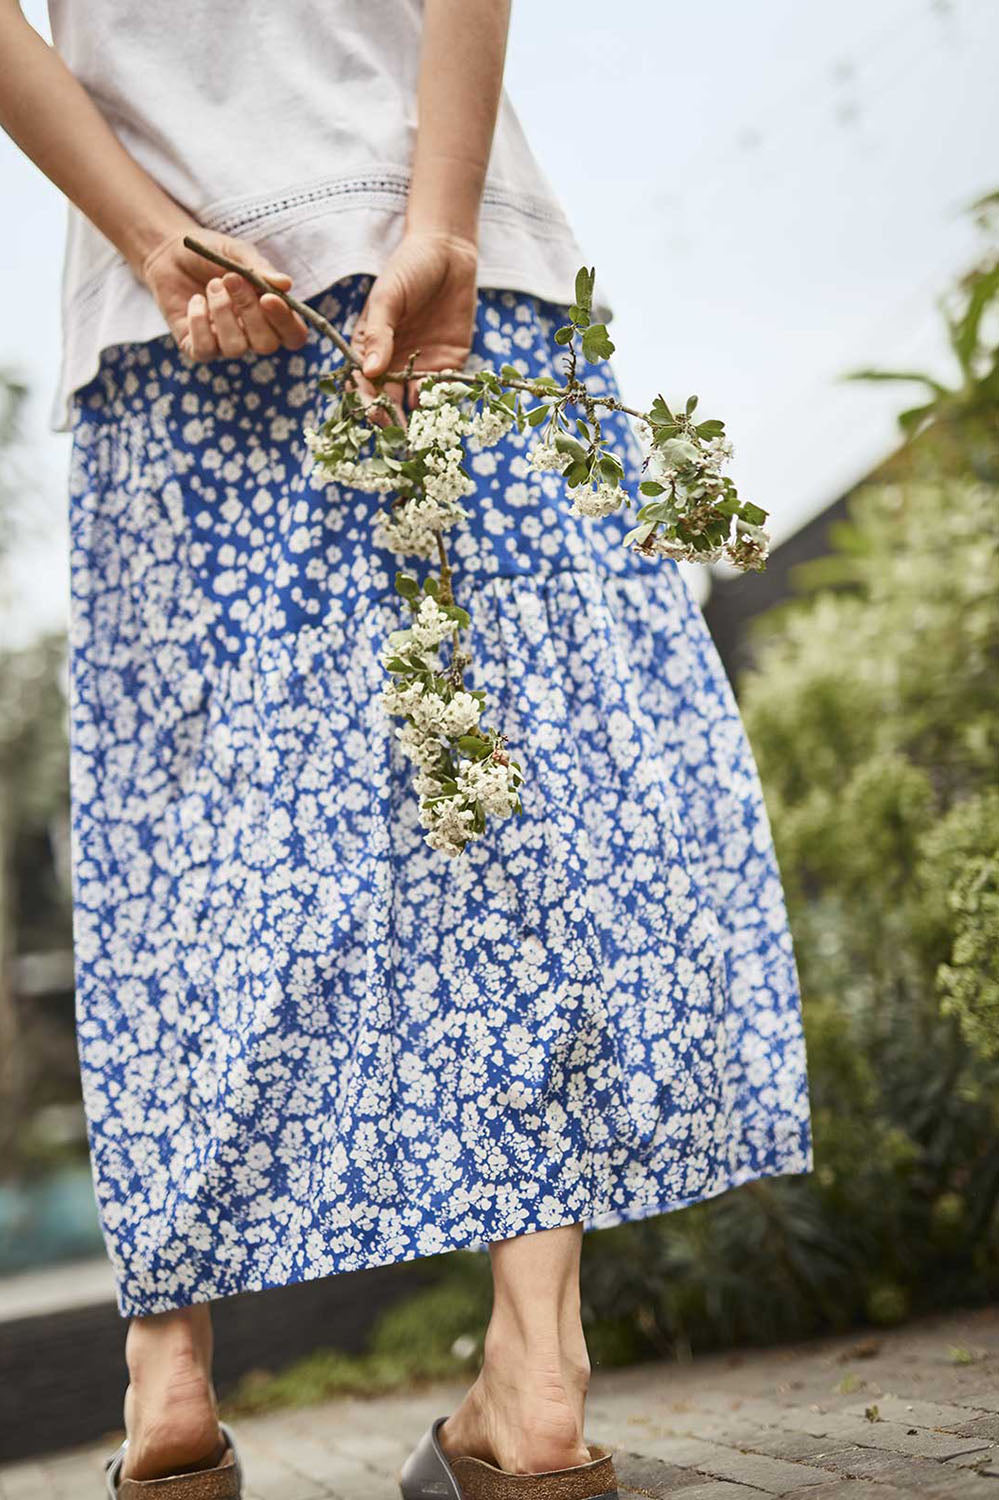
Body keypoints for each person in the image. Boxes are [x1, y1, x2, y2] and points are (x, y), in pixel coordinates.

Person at [0, 2, 813, 1495]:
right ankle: (537, 1371)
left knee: (193, 829)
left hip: (175, 301)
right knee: (513, 795)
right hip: (462, 283)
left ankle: (170, 1369)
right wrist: (431, 224)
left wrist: (151, 233)